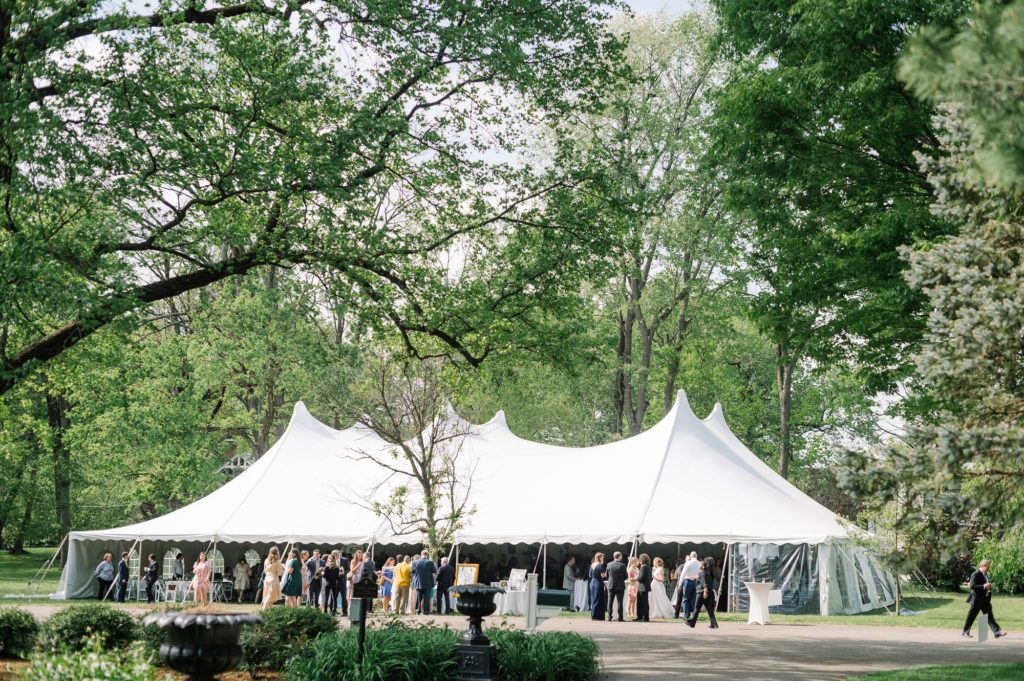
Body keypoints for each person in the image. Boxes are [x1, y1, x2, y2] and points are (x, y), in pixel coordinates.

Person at [963, 558, 1007, 638]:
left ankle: (997, 632)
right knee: (971, 617)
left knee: (990, 616)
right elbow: (972, 586)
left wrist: (988, 587)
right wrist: (984, 586)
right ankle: (965, 632)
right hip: (976, 600)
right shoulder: (976, 574)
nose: (989, 568)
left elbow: (985, 586)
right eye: (988, 567)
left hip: (985, 600)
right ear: (983, 566)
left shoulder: (985, 574)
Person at [686, 557, 719, 629]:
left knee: (696, 608)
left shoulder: (702, 573)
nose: (699, 565)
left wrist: (705, 591)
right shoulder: (708, 573)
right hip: (708, 593)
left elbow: (704, 583)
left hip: (701, 593)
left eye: (701, 564)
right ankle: (714, 624)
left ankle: (692, 623)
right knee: (710, 610)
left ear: (703, 566)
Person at [675, 551, 700, 619]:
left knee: (686, 599)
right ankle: (692, 614)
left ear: (691, 556)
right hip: (695, 581)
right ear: (696, 556)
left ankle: (686, 615)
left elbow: (683, 573)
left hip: (688, 581)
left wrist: (680, 584)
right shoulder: (699, 563)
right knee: (694, 599)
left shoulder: (688, 563)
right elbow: (701, 574)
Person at [412, 550, 438, 615]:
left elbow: (412, 571)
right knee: (426, 598)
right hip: (428, 583)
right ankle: (426, 611)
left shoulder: (415, 562)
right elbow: (434, 571)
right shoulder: (430, 562)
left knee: (418, 597)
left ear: (421, 554)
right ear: (427, 555)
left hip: (418, 582)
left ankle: (418, 611)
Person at [605, 551, 627, 622]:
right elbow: (625, 576)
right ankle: (620, 617)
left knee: (610, 601)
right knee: (620, 602)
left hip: (611, 585)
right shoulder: (623, 565)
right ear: (619, 556)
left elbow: (607, 575)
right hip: (620, 585)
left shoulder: (609, 564)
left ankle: (609, 617)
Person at [589, 552, 607, 621]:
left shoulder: (592, 564)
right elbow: (603, 575)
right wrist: (606, 573)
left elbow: (590, 575)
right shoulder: (600, 565)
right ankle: (598, 616)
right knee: (599, 599)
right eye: (602, 557)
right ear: (600, 557)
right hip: (598, 582)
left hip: (592, 582)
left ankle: (593, 615)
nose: (603, 558)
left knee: (593, 599)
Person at [635, 553, 652, 622]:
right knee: (642, 602)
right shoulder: (648, 566)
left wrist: (636, 578)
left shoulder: (643, 567)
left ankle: (644, 617)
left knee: (643, 603)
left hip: (642, 587)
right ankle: (640, 616)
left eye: (639, 559)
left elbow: (641, 577)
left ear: (642, 559)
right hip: (645, 586)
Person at [337, 551, 351, 616]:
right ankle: (333, 610)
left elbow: (348, 569)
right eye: (337, 554)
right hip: (336, 581)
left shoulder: (345, 560)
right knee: (334, 597)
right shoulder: (333, 559)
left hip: (343, 580)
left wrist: (344, 573)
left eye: (340, 554)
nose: (339, 555)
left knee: (344, 597)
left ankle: (344, 611)